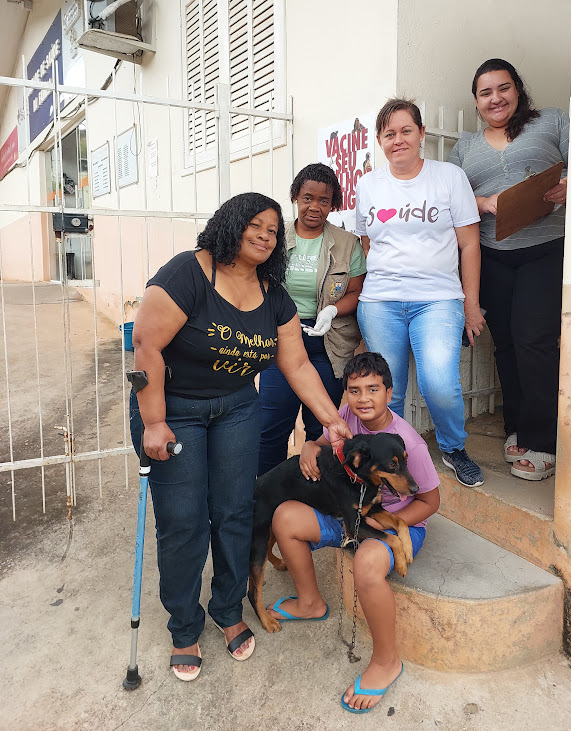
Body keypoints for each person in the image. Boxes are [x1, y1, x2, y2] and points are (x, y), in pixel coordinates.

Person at [129, 192, 352, 681]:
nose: (265, 236)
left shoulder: (272, 294)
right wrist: (153, 422)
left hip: (236, 408)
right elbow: (145, 345)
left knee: (235, 512)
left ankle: (228, 609)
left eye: (273, 230)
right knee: (184, 522)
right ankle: (184, 625)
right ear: (230, 224)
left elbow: (296, 363)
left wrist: (331, 419)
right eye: (256, 224)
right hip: (174, 409)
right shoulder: (188, 273)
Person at [266, 352, 440, 713]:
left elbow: (430, 501)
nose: (363, 399)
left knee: (367, 561)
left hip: (398, 522)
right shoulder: (345, 416)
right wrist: (310, 446)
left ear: (389, 392)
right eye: (354, 390)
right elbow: (324, 444)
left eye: (373, 389)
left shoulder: (409, 443)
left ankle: (386, 661)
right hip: (351, 513)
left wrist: (393, 523)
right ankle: (310, 602)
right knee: (284, 517)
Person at [355, 98, 486, 488]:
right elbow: (367, 242)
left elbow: (470, 245)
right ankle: (388, 461)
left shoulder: (449, 177)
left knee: (439, 384)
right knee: (387, 390)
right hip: (380, 302)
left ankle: (453, 447)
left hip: (438, 299)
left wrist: (471, 305)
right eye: (389, 134)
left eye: (406, 131)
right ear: (380, 140)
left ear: (422, 133)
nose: (398, 140)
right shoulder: (369, 184)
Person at [449, 58, 569, 481]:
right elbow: (451, 198)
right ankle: (517, 426)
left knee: (534, 340)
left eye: (503, 88)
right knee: (506, 345)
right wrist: (483, 203)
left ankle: (543, 442)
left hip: (544, 249)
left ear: (517, 88)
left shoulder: (552, 121)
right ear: (476, 101)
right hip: (491, 254)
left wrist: (569, 185)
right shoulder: (465, 147)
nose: (495, 98)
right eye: (485, 92)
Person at [257, 164, 366, 476]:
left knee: (321, 429)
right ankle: (268, 491)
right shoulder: (274, 237)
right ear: (295, 197)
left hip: (328, 345)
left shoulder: (347, 243)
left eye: (323, 200)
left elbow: (357, 291)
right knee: (271, 426)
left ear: (333, 204)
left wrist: (332, 310)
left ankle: (314, 491)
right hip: (281, 340)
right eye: (307, 198)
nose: (314, 207)